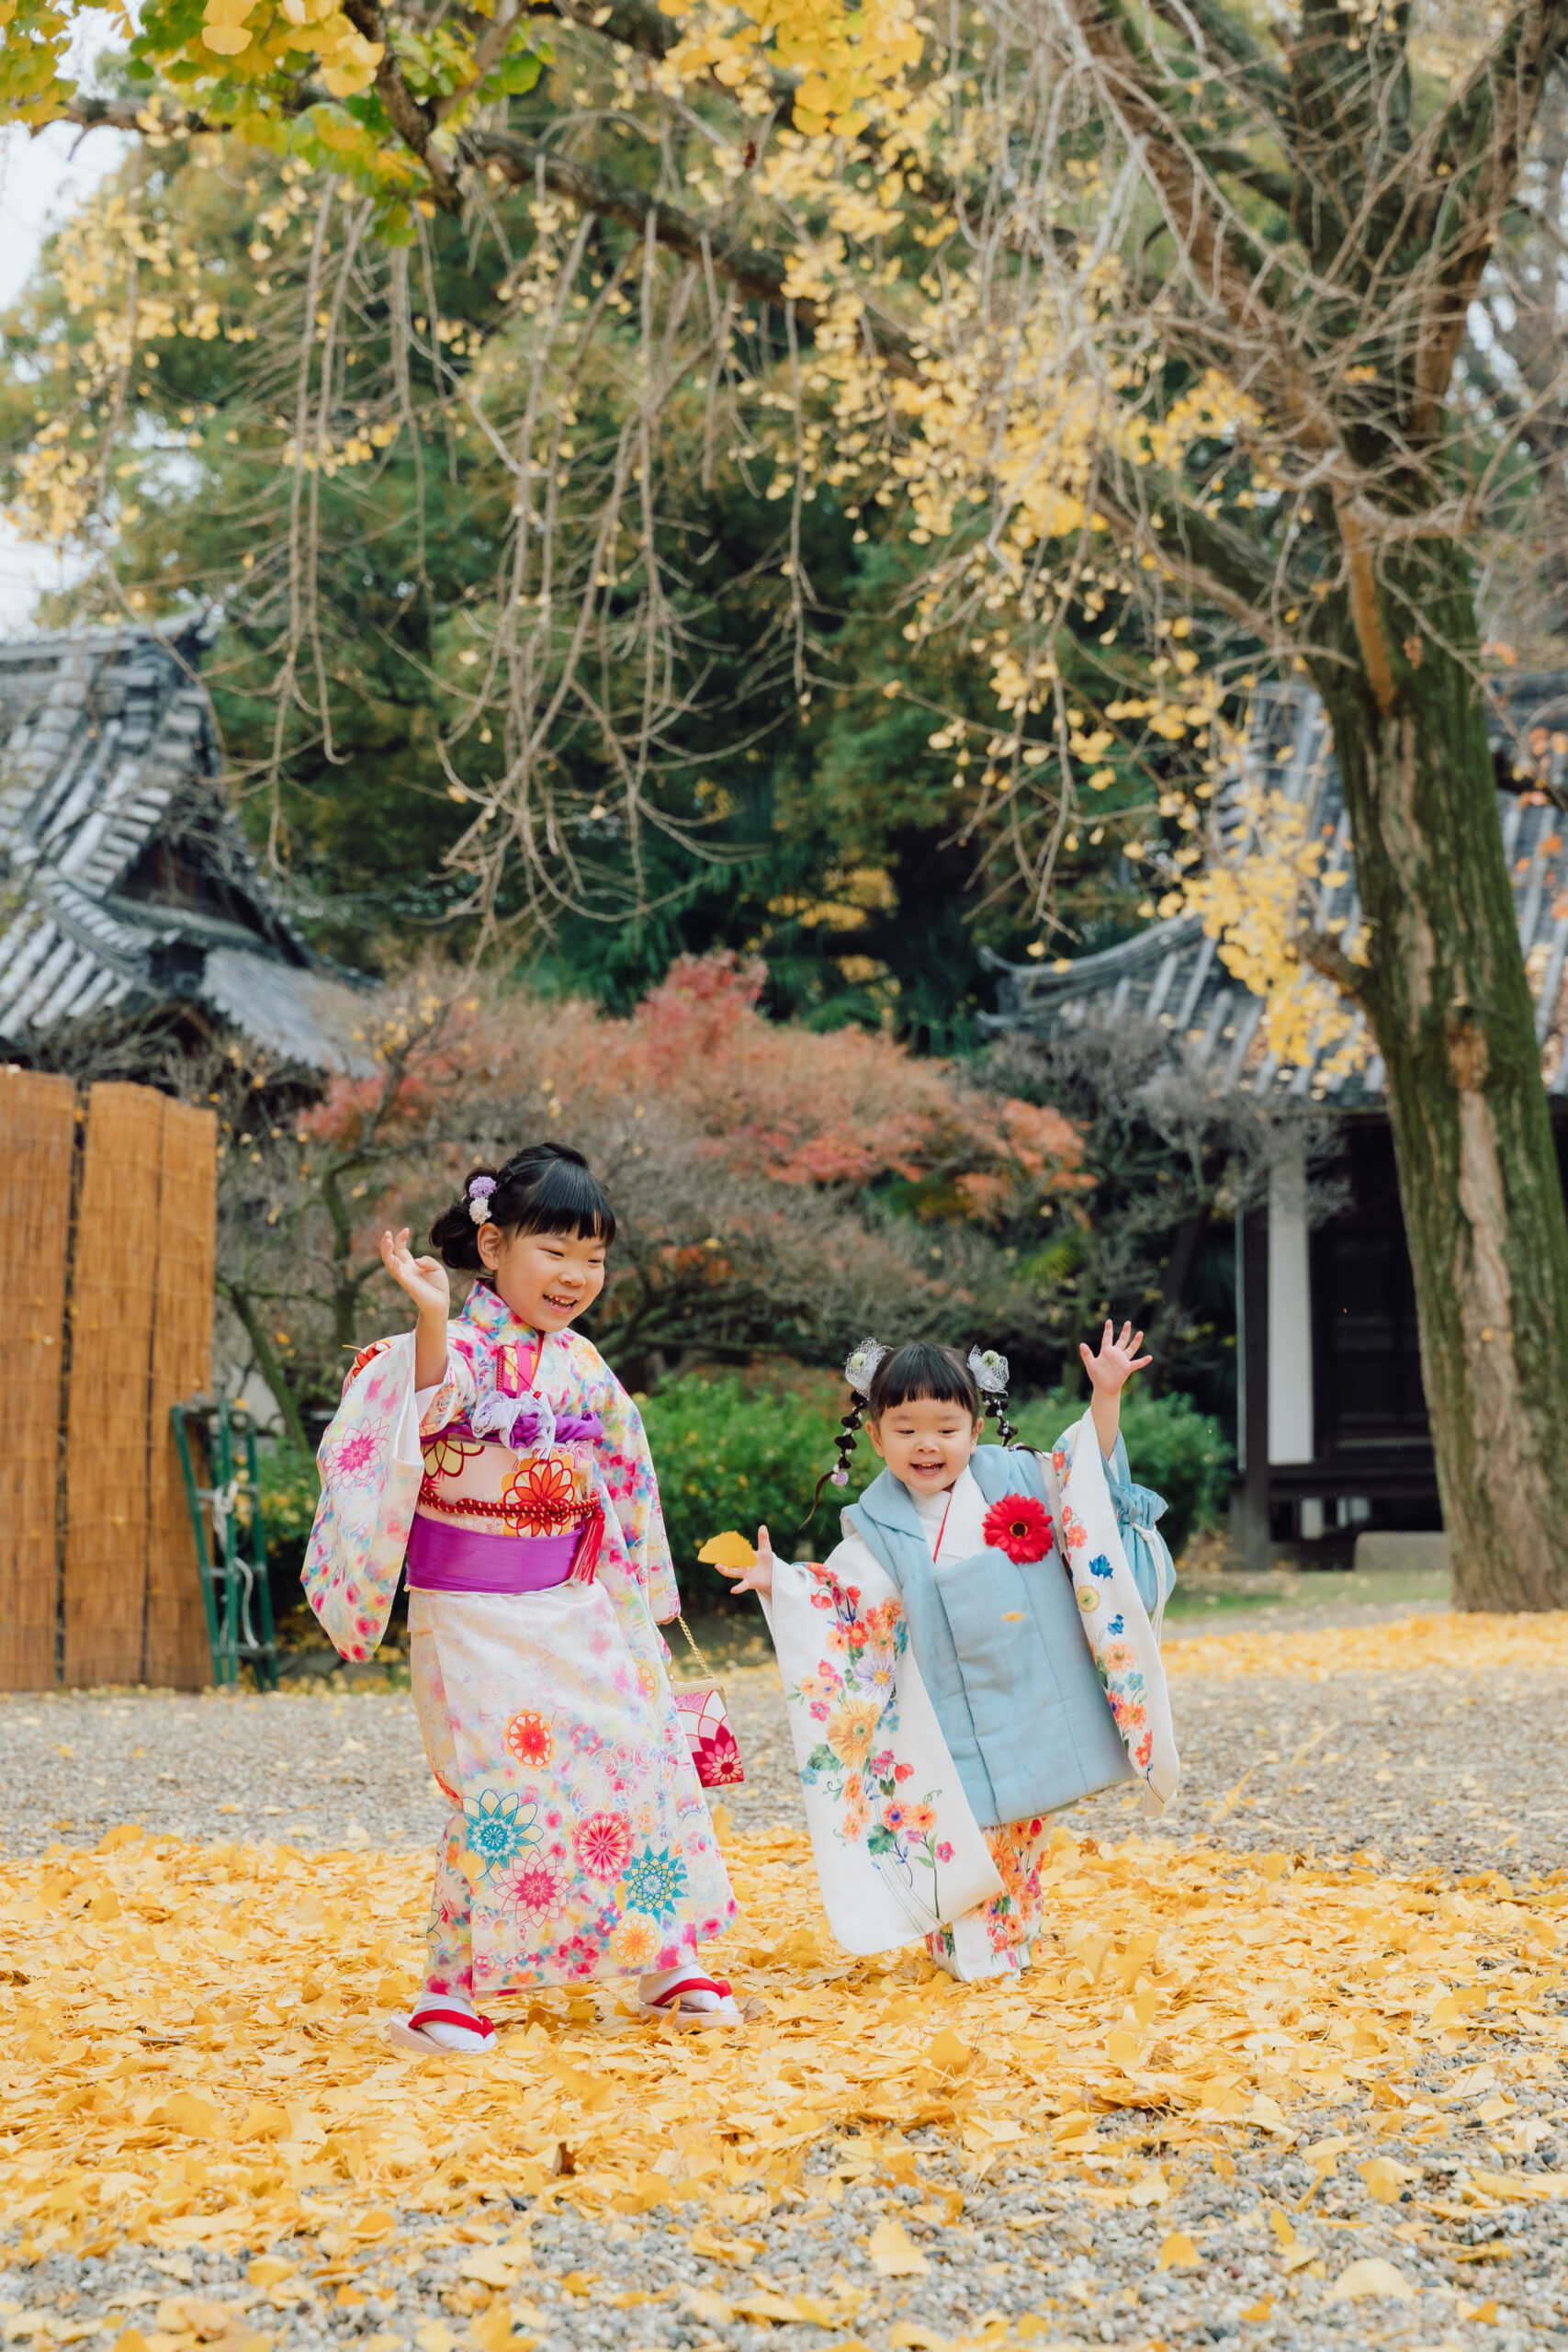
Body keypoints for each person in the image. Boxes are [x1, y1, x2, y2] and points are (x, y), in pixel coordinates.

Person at [303, 1141, 739, 2050]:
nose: (578, 1274)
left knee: (634, 1759)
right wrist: (427, 1316)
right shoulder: (453, 1347)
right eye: (556, 1250)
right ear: (493, 1244)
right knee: (497, 1789)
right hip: (471, 1611)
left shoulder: (582, 1365)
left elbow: (625, 1477)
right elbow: (421, 1411)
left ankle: (666, 1955)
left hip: (574, 1601)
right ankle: (449, 1992)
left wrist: (641, 1597)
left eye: (595, 1257)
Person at [719, 1326, 1179, 1981]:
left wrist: (1105, 1397)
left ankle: (1009, 1938)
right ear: (875, 1437)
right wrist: (784, 1583)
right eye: (905, 1429)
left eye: (945, 1426)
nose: (927, 1444)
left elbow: (1086, 1484)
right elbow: (847, 1597)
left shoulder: (1015, 1478)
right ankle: (976, 1955)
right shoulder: (877, 1524)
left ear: (974, 1428)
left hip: (1026, 1689)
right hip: (945, 1706)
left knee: (1021, 1835)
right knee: (967, 1831)